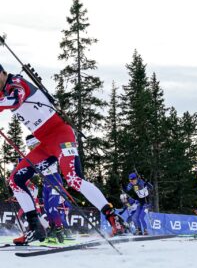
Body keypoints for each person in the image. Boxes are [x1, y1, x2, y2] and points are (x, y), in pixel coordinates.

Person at [0, 64, 124, 244]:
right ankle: (36, 229)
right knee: (15, 180)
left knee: (73, 178)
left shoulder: (17, 83)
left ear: (3, 72)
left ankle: (113, 219)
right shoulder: (3, 92)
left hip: (60, 135)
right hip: (45, 144)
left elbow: (14, 100)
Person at [25, 134, 66, 243]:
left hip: (54, 180)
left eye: (33, 146)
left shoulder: (46, 149)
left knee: (53, 208)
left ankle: (59, 229)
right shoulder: (34, 155)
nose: (31, 149)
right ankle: (52, 229)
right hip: (45, 183)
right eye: (30, 147)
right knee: (47, 209)